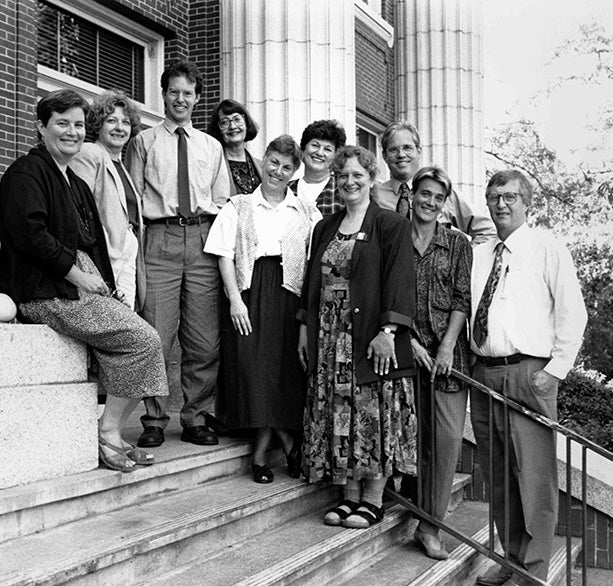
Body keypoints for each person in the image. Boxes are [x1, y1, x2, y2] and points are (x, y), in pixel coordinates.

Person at [0, 89, 167, 472]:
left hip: (77, 284)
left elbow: (94, 244)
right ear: (41, 127)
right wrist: (78, 276)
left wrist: (105, 287)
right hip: (44, 288)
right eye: (62, 123)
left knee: (143, 338)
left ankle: (111, 432)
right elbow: (30, 235)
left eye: (79, 125)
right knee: (142, 338)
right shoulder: (27, 172)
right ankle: (108, 432)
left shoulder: (77, 183)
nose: (71, 132)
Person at [469, 169, 587, 586]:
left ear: (527, 203)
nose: (501, 203)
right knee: (498, 477)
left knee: (533, 477)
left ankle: (533, 574)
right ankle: (512, 559)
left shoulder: (546, 247)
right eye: (494, 196)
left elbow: (573, 313)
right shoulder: (480, 253)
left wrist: (553, 371)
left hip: (529, 372)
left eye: (511, 196)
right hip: (486, 372)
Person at [298, 145, 417, 529]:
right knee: (338, 413)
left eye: (357, 176)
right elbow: (309, 285)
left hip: (368, 336)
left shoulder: (390, 224)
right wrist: (305, 328)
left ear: (371, 179)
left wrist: (388, 331)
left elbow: (400, 280)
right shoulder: (325, 227)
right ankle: (347, 497)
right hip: (329, 338)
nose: (349, 182)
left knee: (371, 411)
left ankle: (373, 500)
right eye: (343, 175)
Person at [126, 60, 231, 448]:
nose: (181, 99)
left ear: (197, 98)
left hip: (203, 241)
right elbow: (133, 202)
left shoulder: (211, 146)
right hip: (160, 239)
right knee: (156, 335)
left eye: (188, 93)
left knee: (204, 340)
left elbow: (223, 201)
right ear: (164, 95)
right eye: (174, 92)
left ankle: (196, 417)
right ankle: (153, 418)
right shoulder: (144, 142)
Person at [204, 135, 321, 483]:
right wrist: (235, 300)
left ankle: (259, 457)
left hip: (290, 297)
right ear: (263, 161)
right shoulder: (238, 205)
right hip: (249, 294)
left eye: (286, 167)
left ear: (294, 172)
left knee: (282, 374)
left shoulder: (307, 211)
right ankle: (288, 444)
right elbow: (224, 255)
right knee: (252, 370)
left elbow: (314, 262)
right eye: (273, 162)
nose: (278, 171)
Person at [402, 166, 473, 560]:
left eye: (438, 197)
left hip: (448, 360)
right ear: (412, 195)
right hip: (406, 354)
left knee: (445, 445)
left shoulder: (458, 244)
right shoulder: (395, 238)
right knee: (413, 441)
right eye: (424, 194)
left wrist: (446, 347)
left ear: (444, 203)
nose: (430, 202)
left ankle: (430, 527)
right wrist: (408, 340)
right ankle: (406, 507)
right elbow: (387, 295)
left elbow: (462, 299)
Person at [69, 89, 145, 310]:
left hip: (126, 257)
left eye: (126, 122)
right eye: (111, 121)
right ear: (98, 124)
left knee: (126, 319)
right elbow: (78, 209)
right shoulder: (90, 153)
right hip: (103, 256)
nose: (119, 128)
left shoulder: (123, 167)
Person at [374, 121, 495, 244]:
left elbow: (487, 232)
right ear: (384, 155)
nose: (401, 154)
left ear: (419, 151)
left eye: (407, 148)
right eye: (393, 149)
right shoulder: (374, 197)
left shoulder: (443, 192)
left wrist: (462, 259)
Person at [288, 119, 346, 217]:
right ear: (303, 149)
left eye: (327, 149)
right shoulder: (286, 190)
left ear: (336, 156)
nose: (319, 153)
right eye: (315, 145)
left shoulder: (343, 191)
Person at [206, 99, 262, 195]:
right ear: (218, 129)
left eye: (237, 119)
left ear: (246, 123)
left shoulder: (261, 166)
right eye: (224, 122)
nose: (232, 126)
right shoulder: (211, 166)